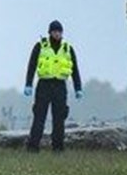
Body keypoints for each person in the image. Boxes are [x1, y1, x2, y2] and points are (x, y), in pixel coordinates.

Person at [23, 20, 83, 153]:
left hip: (60, 86)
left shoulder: (67, 48)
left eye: (59, 31)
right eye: (55, 31)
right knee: (39, 117)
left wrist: (78, 87)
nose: (57, 34)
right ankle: (33, 147)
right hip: (44, 85)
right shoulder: (41, 46)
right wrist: (28, 84)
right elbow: (31, 66)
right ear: (50, 32)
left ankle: (58, 148)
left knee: (59, 119)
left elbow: (75, 70)